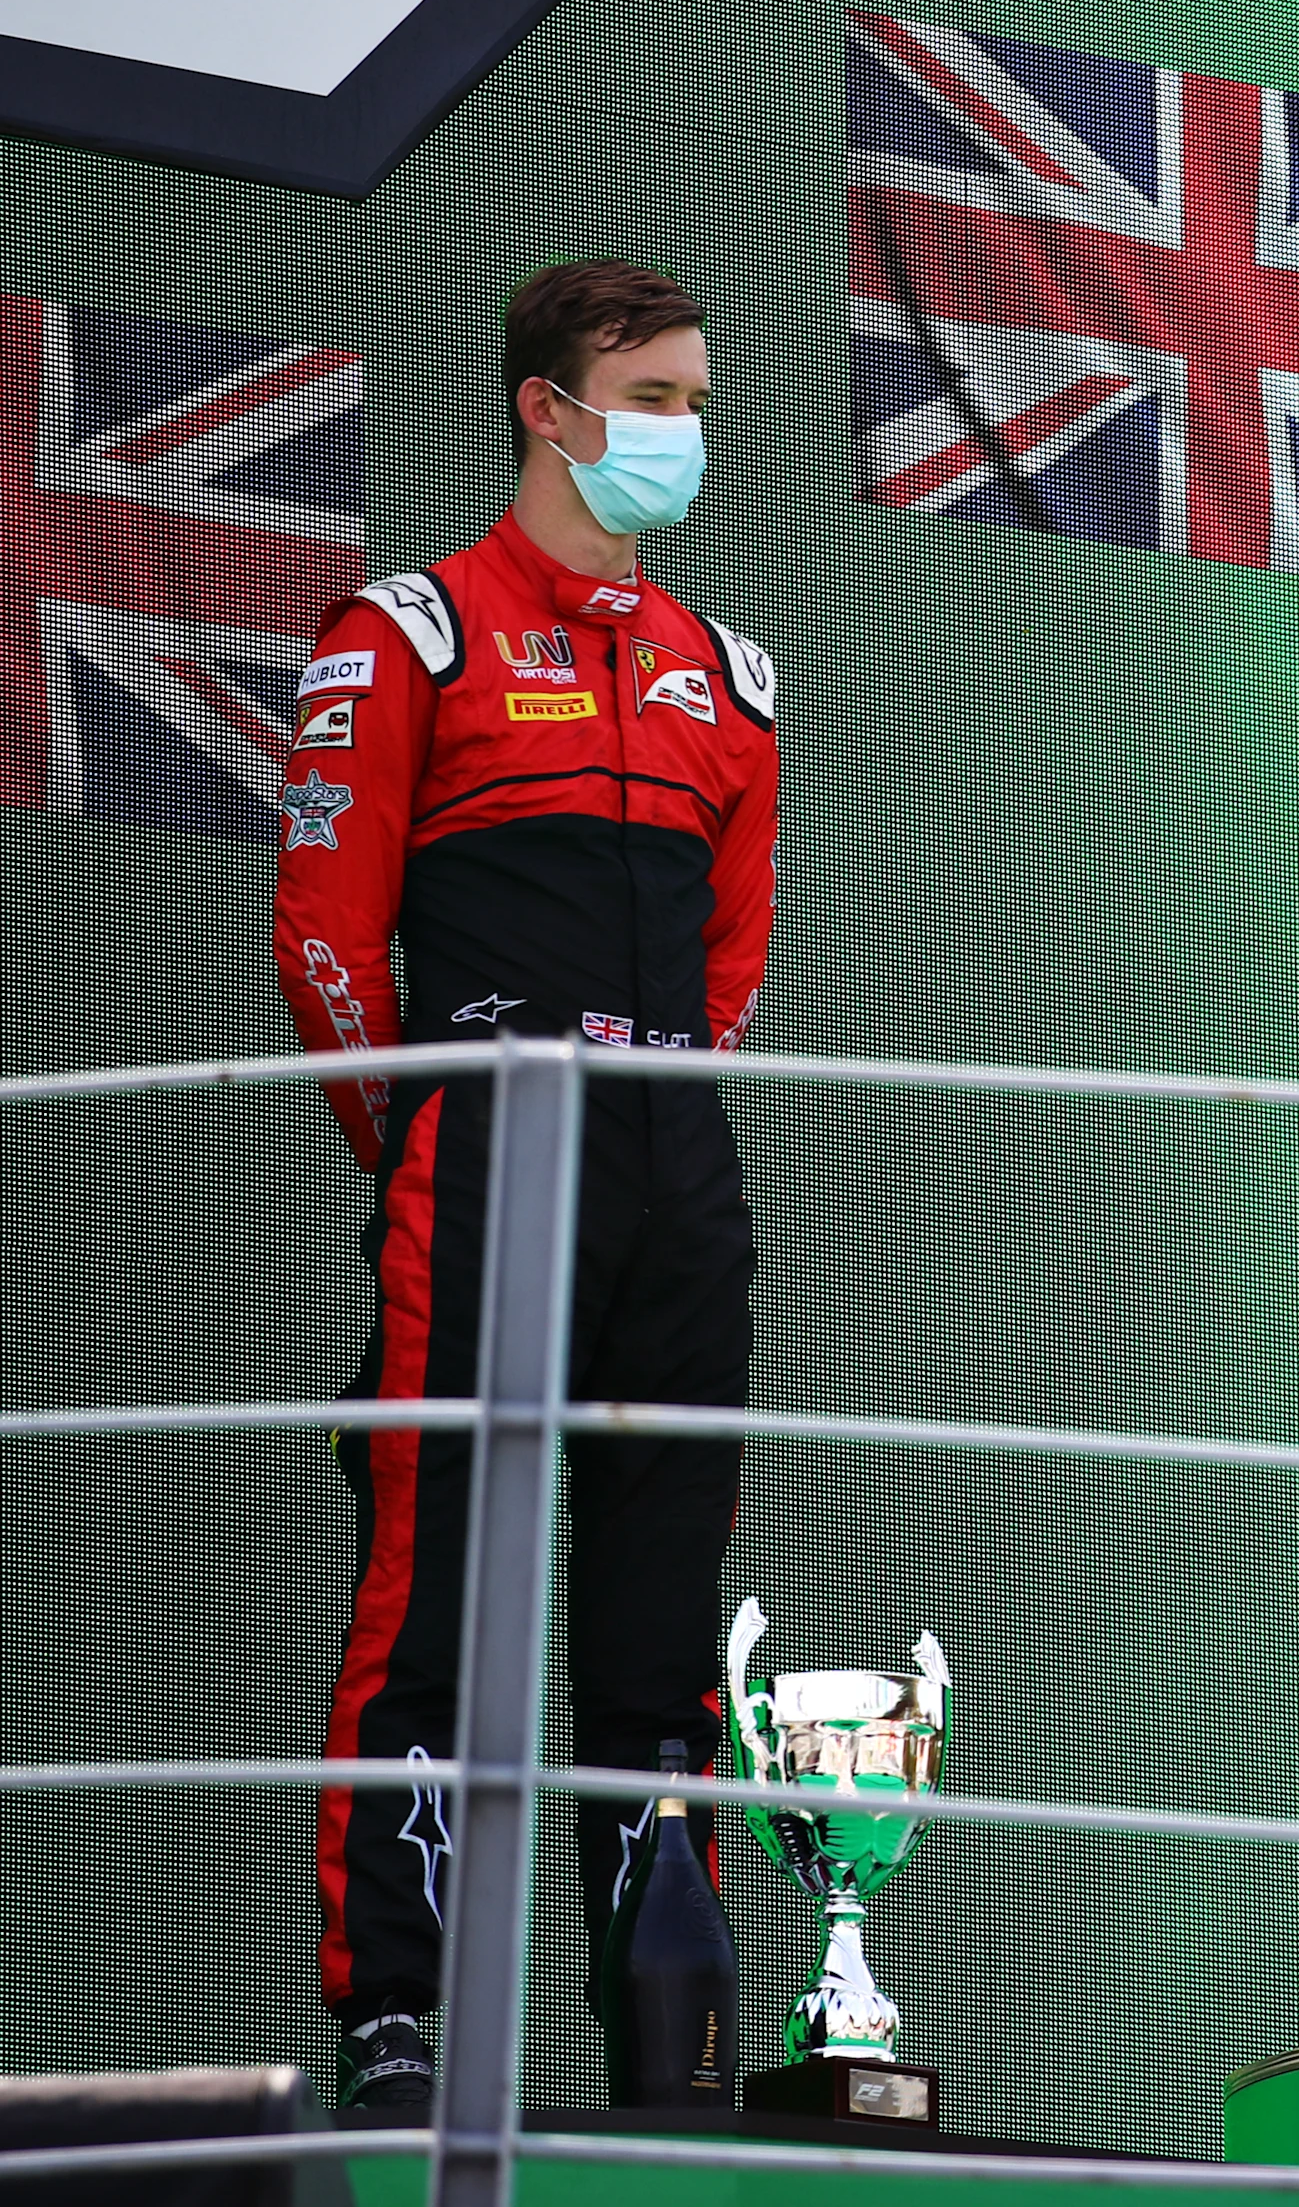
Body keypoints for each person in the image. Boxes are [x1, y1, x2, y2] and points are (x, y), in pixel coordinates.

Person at [274, 258, 781, 2112]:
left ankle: (669, 2049)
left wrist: (652, 1106)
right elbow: (325, 943)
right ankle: (394, 2023)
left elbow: (732, 964)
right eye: (651, 399)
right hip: (481, 1153)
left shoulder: (733, 673)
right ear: (545, 410)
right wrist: (424, 1138)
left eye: (697, 400)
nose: (685, 433)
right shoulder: (407, 635)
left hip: (676, 1169)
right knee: (427, 1599)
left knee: (664, 1628)